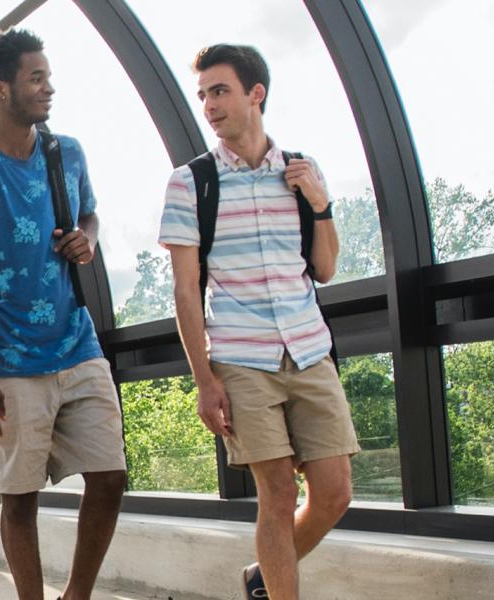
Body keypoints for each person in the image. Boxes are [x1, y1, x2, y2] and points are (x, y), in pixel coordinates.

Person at [159, 44, 359, 600]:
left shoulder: (301, 170)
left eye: (219, 91)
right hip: (241, 358)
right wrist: (204, 380)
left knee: (335, 493)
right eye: (202, 95)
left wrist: (320, 203)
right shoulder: (191, 184)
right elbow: (184, 291)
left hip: (310, 349)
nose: (208, 105)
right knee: (275, 494)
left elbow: (324, 268)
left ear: (256, 93)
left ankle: (261, 578)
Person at [0, 28, 126, 600]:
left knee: (111, 477)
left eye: (48, 76)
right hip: (8, 362)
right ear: (0, 89)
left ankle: (76, 596)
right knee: (20, 499)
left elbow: (88, 216)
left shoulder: (65, 152)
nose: (49, 88)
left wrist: (85, 240)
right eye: (35, 78)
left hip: (77, 342)